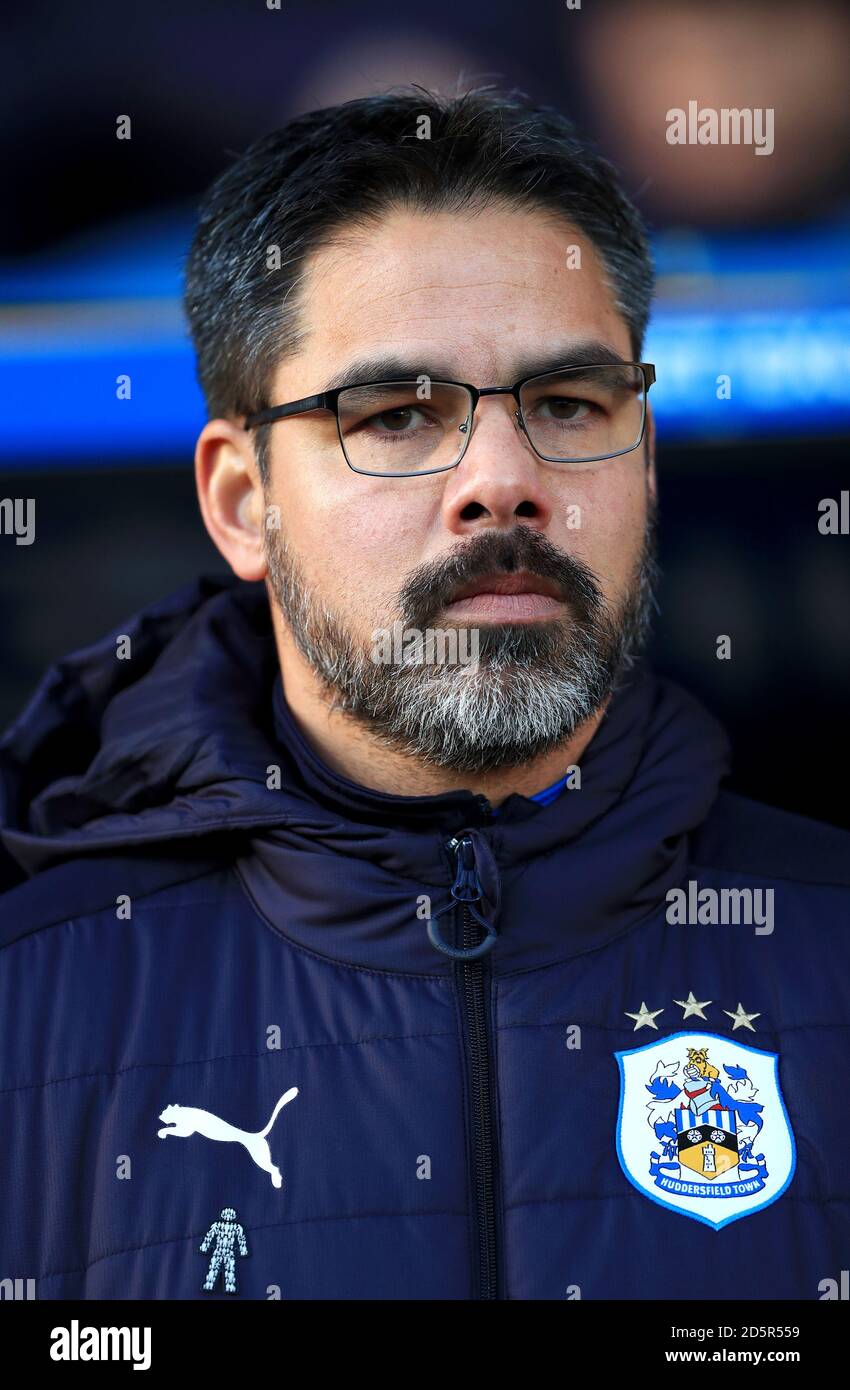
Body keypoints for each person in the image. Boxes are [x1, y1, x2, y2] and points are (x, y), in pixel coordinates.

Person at [1, 86, 847, 1301]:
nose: (502, 481)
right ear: (243, 500)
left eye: (568, 404)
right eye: (396, 416)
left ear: (645, 462)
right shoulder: (29, 1011)